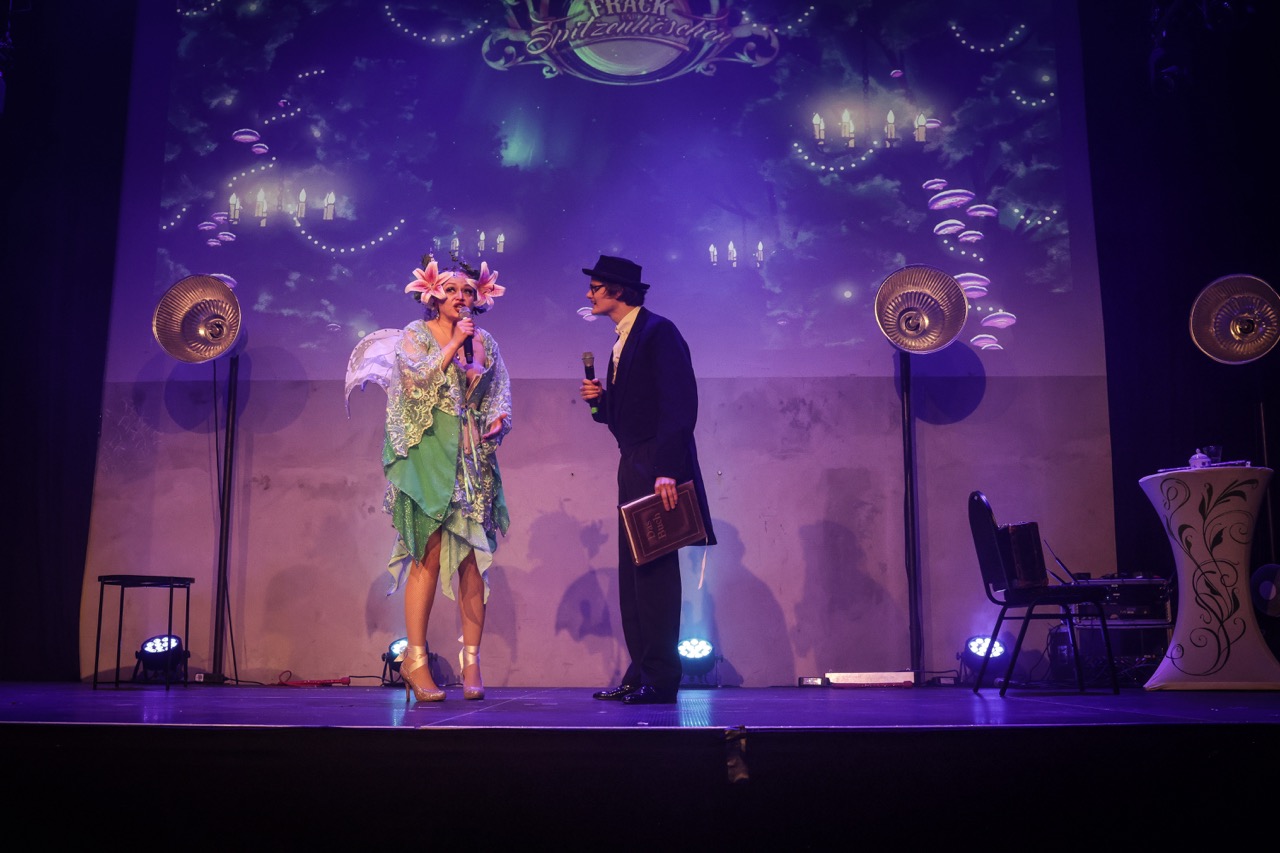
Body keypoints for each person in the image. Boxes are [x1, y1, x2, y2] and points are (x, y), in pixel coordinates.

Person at [351, 255, 511, 703]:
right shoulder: (416, 335)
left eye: (468, 291)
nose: (461, 297)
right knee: (428, 553)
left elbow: (499, 392)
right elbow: (415, 384)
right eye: (451, 289)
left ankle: (471, 660)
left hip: (469, 458)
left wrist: (497, 418)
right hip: (429, 458)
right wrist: (453, 343)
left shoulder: (485, 341)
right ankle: (416, 660)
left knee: (473, 559)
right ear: (433, 295)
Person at [578, 254, 716, 705]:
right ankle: (640, 671)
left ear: (617, 291)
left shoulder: (658, 332)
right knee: (633, 570)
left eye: (595, 287)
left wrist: (667, 469)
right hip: (633, 460)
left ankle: (661, 677)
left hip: (656, 462)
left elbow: (679, 404)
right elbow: (627, 417)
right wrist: (601, 403)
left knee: (654, 569)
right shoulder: (622, 340)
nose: (589, 294)